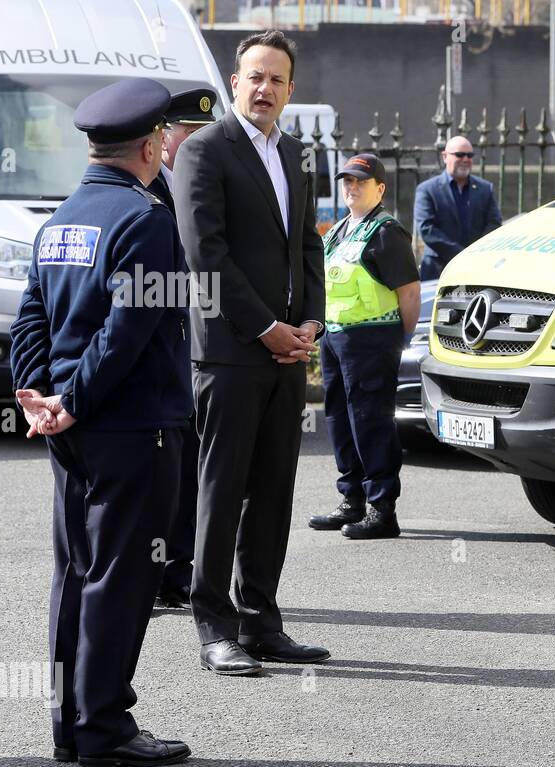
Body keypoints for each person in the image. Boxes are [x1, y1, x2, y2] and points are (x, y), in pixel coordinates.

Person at [8, 77, 192, 767]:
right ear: (150, 146)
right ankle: (105, 727)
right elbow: (129, 332)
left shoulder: (59, 221)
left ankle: (72, 724)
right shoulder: (146, 221)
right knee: (121, 574)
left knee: (76, 571)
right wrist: (75, 398)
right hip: (131, 426)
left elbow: (32, 314)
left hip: (72, 430)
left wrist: (37, 391)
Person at [173, 30, 330, 675]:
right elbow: (204, 256)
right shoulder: (206, 151)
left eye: (277, 80)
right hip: (232, 353)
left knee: (274, 490)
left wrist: (311, 323)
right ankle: (214, 626)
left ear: (291, 91)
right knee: (222, 487)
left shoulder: (294, 153)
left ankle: (262, 620)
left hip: (289, 353)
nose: (264, 89)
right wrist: (265, 326)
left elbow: (308, 247)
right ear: (234, 82)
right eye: (254, 77)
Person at [308, 153, 420, 539]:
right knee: (339, 419)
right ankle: (351, 500)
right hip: (337, 338)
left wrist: (398, 341)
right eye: (347, 181)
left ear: (380, 188)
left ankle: (382, 509)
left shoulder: (387, 232)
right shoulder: (340, 229)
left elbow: (409, 293)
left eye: (360, 181)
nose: (351, 187)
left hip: (373, 340)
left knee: (371, 422)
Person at [151, 86, 217, 610]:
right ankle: (149, 572)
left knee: (189, 465)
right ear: (163, 136)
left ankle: (177, 571)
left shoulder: (208, 184)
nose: (197, 142)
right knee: (157, 467)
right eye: (187, 133)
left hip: (201, 346)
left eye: (204, 133)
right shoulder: (148, 191)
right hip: (159, 346)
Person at [413, 135, 502, 279]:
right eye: (460, 155)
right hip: (438, 269)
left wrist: (477, 253)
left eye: (469, 155)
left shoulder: (485, 189)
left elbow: (494, 223)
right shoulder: (427, 190)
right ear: (445, 156)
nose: (465, 159)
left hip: (477, 269)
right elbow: (426, 229)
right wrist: (461, 255)